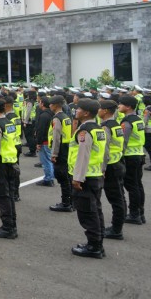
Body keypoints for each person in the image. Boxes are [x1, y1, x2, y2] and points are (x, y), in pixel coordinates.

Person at [68, 99, 107, 258]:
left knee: (87, 212)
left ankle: (94, 247)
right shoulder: (98, 128)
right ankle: (97, 243)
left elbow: (83, 156)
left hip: (85, 178)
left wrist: (77, 178)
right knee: (95, 210)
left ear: (85, 113)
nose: (76, 111)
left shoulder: (85, 131)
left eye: (78, 109)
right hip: (95, 174)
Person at [0, 98, 20, 239]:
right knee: (9, 195)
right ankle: (12, 224)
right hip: (11, 162)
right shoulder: (9, 123)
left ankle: (7, 228)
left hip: (1, 164)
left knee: (1, 196)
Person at [98, 100, 126, 240]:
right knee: (120, 197)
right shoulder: (116, 125)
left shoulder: (106, 127)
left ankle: (116, 229)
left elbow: (105, 150)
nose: (98, 111)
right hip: (118, 163)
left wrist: (102, 169)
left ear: (105, 111)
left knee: (116, 199)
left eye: (100, 108)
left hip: (111, 166)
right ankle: (117, 227)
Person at [118, 95, 146, 225]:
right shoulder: (138, 119)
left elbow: (123, 141)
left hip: (130, 156)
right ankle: (140, 213)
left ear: (128, 106)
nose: (119, 106)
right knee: (137, 185)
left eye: (121, 104)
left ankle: (134, 214)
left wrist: (119, 157)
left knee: (131, 186)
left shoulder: (127, 122)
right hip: (139, 154)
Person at [49, 95, 74, 212]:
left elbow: (56, 137)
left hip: (61, 149)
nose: (49, 105)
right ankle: (71, 201)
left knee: (62, 177)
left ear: (55, 105)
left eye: (51, 104)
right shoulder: (66, 117)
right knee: (68, 177)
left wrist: (54, 154)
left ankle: (65, 203)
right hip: (67, 147)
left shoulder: (57, 118)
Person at [34, 96, 55, 186]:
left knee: (46, 161)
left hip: (44, 141)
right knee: (49, 160)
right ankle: (50, 177)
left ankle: (48, 179)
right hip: (50, 140)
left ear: (42, 104)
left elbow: (40, 130)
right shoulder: (52, 114)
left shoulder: (43, 115)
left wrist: (38, 142)